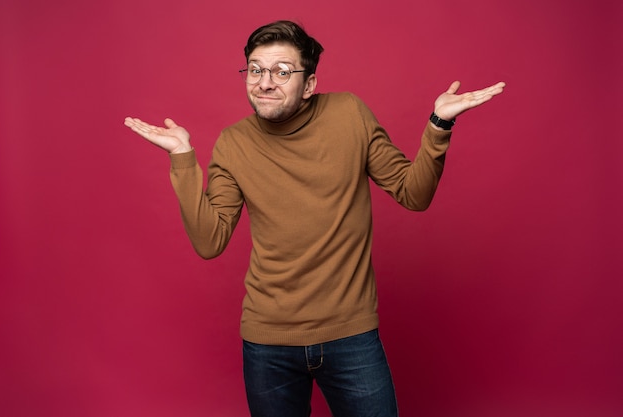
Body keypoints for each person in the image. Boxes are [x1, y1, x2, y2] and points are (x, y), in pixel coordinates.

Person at [125, 20, 505, 417]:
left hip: (351, 334)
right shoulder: (233, 143)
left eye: (282, 71)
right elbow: (209, 241)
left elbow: (413, 193)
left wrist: (439, 125)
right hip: (267, 341)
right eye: (255, 69)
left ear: (309, 85)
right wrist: (183, 159)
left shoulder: (349, 114)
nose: (265, 82)